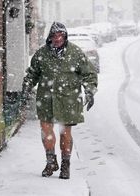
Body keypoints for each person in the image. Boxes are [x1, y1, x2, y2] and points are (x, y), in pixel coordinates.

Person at [21, 22, 98, 179]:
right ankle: (51, 162)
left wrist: (90, 91)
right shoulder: (41, 54)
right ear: (50, 37)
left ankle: (65, 165)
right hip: (46, 99)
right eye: (54, 36)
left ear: (65, 37)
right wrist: (26, 87)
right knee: (46, 131)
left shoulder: (75, 53)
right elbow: (32, 74)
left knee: (65, 133)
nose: (57, 39)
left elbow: (89, 74)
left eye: (61, 36)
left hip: (68, 99)